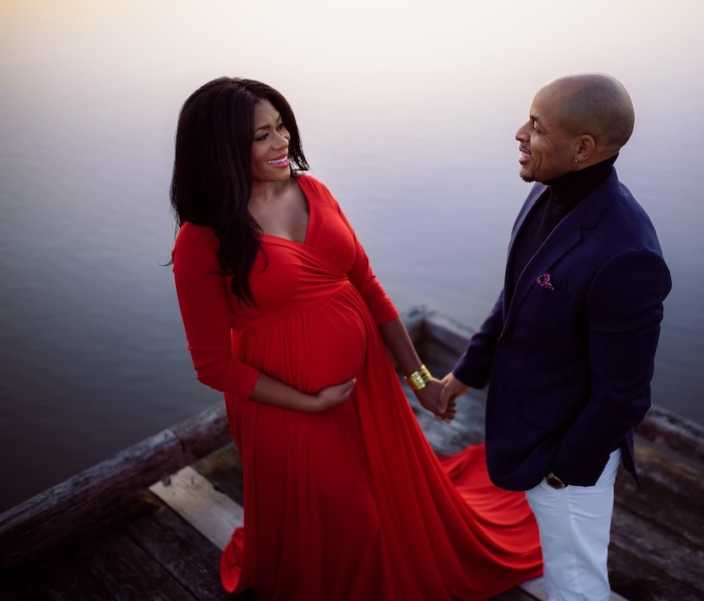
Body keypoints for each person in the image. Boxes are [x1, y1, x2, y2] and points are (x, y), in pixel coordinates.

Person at [168, 77, 541, 600]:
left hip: (368, 389)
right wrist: (309, 401)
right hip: (287, 411)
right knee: (348, 516)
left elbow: (367, 285)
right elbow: (211, 364)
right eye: (261, 136)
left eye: (281, 127)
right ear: (220, 148)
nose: (281, 143)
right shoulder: (201, 239)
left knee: (388, 500)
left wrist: (419, 379)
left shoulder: (314, 192)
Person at [441, 74, 673, 601]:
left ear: (584, 148)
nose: (520, 133)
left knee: (575, 585)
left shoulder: (626, 254)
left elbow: (625, 395)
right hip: (528, 434)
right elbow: (516, 298)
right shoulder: (548, 192)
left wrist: (565, 473)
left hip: (566, 462)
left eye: (538, 127)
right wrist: (466, 373)